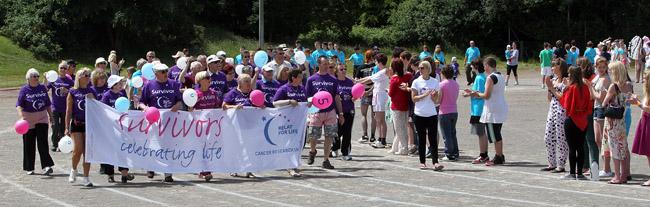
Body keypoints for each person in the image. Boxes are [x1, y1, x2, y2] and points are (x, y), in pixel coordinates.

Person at [138, 64, 182, 182]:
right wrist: (146, 109)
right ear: (156, 73)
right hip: (154, 120)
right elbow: (141, 102)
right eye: (162, 71)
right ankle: (151, 167)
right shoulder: (149, 85)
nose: (165, 73)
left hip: (170, 119)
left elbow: (180, 100)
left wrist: (177, 105)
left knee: (169, 144)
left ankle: (168, 172)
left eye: (166, 71)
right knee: (153, 144)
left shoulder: (174, 84)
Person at [549, 66, 592, 180]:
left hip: (572, 120)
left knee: (572, 148)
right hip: (583, 119)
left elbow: (564, 103)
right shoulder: (585, 88)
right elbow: (589, 105)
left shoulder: (571, 88)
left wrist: (555, 89)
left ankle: (572, 173)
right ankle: (580, 173)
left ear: (572, 75)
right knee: (581, 147)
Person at [305, 56, 344, 169]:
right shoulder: (311, 79)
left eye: (328, 64)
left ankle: (326, 160)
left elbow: (336, 97)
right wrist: (309, 112)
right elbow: (308, 97)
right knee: (313, 136)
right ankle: (312, 151)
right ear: (319, 65)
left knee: (329, 136)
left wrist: (340, 113)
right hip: (316, 111)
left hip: (330, 111)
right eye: (324, 64)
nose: (327, 66)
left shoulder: (333, 80)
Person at [468, 57, 507, 166]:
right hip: (500, 107)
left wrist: (476, 94)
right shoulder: (500, 75)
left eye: (485, 65)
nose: (484, 67)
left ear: (488, 66)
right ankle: (499, 156)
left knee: (495, 135)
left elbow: (486, 95)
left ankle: (499, 157)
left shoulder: (490, 78)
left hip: (492, 110)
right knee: (497, 133)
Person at [17, 68, 55, 176]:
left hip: (42, 117)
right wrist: (21, 117)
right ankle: (30, 167)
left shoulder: (42, 88)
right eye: (34, 76)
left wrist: (51, 116)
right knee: (29, 143)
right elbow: (19, 105)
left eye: (37, 76)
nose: (36, 78)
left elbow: (48, 103)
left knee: (43, 142)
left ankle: (47, 166)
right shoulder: (24, 90)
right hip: (28, 118)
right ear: (28, 78)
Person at [223, 74, 262, 177]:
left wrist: (261, 106)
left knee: (249, 147)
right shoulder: (233, 93)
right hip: (236, 126)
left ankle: (249, 169)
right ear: (240, 83)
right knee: (236, 147)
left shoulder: (253, 93)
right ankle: (233, 168)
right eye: (246, 82)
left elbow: (259, 104)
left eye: (249, 81)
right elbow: (224, 106)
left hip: (250, 126)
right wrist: (234, 107)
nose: (249, 84)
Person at [99, 75, 135, 183]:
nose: (121, 85)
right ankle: (110, 174)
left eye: (121, 83)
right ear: (113, 85)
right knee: (110, 150)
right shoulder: (106, 95)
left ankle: (124, 173)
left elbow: (125, 108)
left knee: (122, 149)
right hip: (110, 127)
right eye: (119, 83)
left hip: (121, 127)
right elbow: (103, 110)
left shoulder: (122, 94)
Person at [188, 71, 223, 181]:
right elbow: (190, 109)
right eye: (206, 78)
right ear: (200, 80)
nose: (209, 79)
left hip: (212, 125)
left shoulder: (213, 93)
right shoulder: (195, 94)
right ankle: (203, 170)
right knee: (200, 147)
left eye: (209, 77)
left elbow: (218, 107)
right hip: (198, 126)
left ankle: (206, 168)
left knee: (209, 146)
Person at [602, 61, 633, 184]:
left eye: (611, 70)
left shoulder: (613, 86)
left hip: (613, 120)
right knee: (623, 147)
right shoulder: (629, 85)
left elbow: (604, 103)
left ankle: (617, 176)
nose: (609, 72)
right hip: (623, 118)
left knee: (614, 148)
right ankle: (625, 174)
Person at [66, 68, 97, 187]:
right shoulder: (73, 91)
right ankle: (73, 169)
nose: (88, 77)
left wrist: (92, 99)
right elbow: (68, 110)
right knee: (77, 150)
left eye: (89, 75)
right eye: (86, 75)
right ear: (79, 77)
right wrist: (66, 126)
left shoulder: (91, 90)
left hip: (89, 124)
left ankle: (86, 177)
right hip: (76, 123)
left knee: (87, 152)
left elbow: (98, 108)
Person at [410, 61, 444, 171]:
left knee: (433, 139)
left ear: (428, 69)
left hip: (432, 114)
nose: (420, 69)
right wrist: (424, 95)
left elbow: (437, 101)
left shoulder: (434, 82)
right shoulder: (416, 82)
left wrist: (434, 96)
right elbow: (413, 99)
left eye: (422, 68)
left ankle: (436, 162)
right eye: (419, 67)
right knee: (422, 139)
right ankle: (422, 162)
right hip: (419, 114)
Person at [273, 69, 307, 177]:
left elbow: (305, 101)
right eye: (300, 77)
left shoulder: (302, 89)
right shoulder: (283, 89)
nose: (302, 79)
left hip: (300, 122)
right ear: (293, 78)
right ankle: (290, 166)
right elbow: (275, 103)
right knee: (289, 144)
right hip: (286, 121)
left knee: (300, 143)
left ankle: (294, 164)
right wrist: (288, 101)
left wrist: (309, 104)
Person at [541, 59, 569, 173]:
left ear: (560, 67)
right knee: (548, 136)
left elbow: (562, 98)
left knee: (561, 137)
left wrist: (552, 88)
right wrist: (549, 87)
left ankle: (561, 164)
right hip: (552, 109)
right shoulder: (553, 80)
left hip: (561, 111)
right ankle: (551, 162)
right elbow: (549, 98)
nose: (552, 68)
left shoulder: (565, 81)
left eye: (554, 66)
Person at [357, 53, 391, 148]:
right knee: (377, 119)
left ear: (380, 62)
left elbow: (369, 80)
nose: (375, 62)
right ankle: (380, 138)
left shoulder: (383, 71)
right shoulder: (380, 71)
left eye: (376, 61)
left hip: (381, 97)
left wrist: (357, 82)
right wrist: (358, 81)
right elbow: (370, 79)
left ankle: (382, 140)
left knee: (380, 119)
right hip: (376, 96)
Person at [464, 60, 490, 164]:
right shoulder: (482, 76)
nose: (471, 67)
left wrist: (468, 94)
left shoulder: (479, 78)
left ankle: (483, 155)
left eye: (472, 66)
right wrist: (471, 92)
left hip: (478, 109)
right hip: (479, 108)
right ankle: (484, 154)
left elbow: (479, 93)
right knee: (482, 133)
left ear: (476, 66)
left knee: (481, 133)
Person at [593, 57, 614, 178]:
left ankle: (607, 168)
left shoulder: (606, 79)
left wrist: (591, 89)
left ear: (606, 67)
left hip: (602, 109)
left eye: (603, 67)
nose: (601, 69)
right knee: (597, 139)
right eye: (599, 67)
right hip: (596, 108)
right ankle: (605, 167)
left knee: (603, 140)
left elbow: (601, 97)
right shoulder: (597, 77)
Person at [47, 61, 74, 152]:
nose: (63, 69)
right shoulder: (54, 79)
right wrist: (45, 79)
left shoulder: (69, 80)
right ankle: (54, 143)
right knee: (55, 126)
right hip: (55, 107)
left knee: (63, 126)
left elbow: (75, 90)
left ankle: (62, 144)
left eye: (65, 68)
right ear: (58, 69)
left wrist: (67, 90)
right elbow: (46, 89)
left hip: (65, 107)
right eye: (61, 68)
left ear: (67, 70)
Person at [388, 59, 412, 155]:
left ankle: (404, 148)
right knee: (402, 127)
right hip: (406, 105)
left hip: (396, 106)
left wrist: (388, 90)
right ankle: (395, 147)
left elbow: (390, 93)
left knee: (399, 128)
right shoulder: (409, 76)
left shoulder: (394, 79)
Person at [332, 64, 355, 160]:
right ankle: (335, 148)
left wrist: (354, 98)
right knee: (337, 131)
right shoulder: (334, 82)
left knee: (347, 132)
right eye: (341, 69)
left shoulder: (350, 82)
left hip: (349, 110)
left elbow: (355, 95)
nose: (344, 71)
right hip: (336, 111)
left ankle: (345, 152)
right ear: (336, 71)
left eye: (345, 69)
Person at [631, 74, 650, 186]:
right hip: (645, 121)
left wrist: (638, 103)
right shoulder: (647, 93)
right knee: (648, 153)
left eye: (645, 79)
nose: (643, 81)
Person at [439, 65, 460, 161]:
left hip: (444, 111)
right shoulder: (456, 84)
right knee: (452, 133)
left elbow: (439, 100)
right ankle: (455, 152)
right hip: (454, 110)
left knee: (446, 134)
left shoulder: (442, 84)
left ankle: (449, 153)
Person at [358, 50, 377, 143]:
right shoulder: (376, 67)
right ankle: (373, 136)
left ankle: (364, 134)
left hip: (364, 92)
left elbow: (358, 81)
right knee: (374, 115)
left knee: (363, 115)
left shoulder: (361, 67)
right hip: (374, 92)